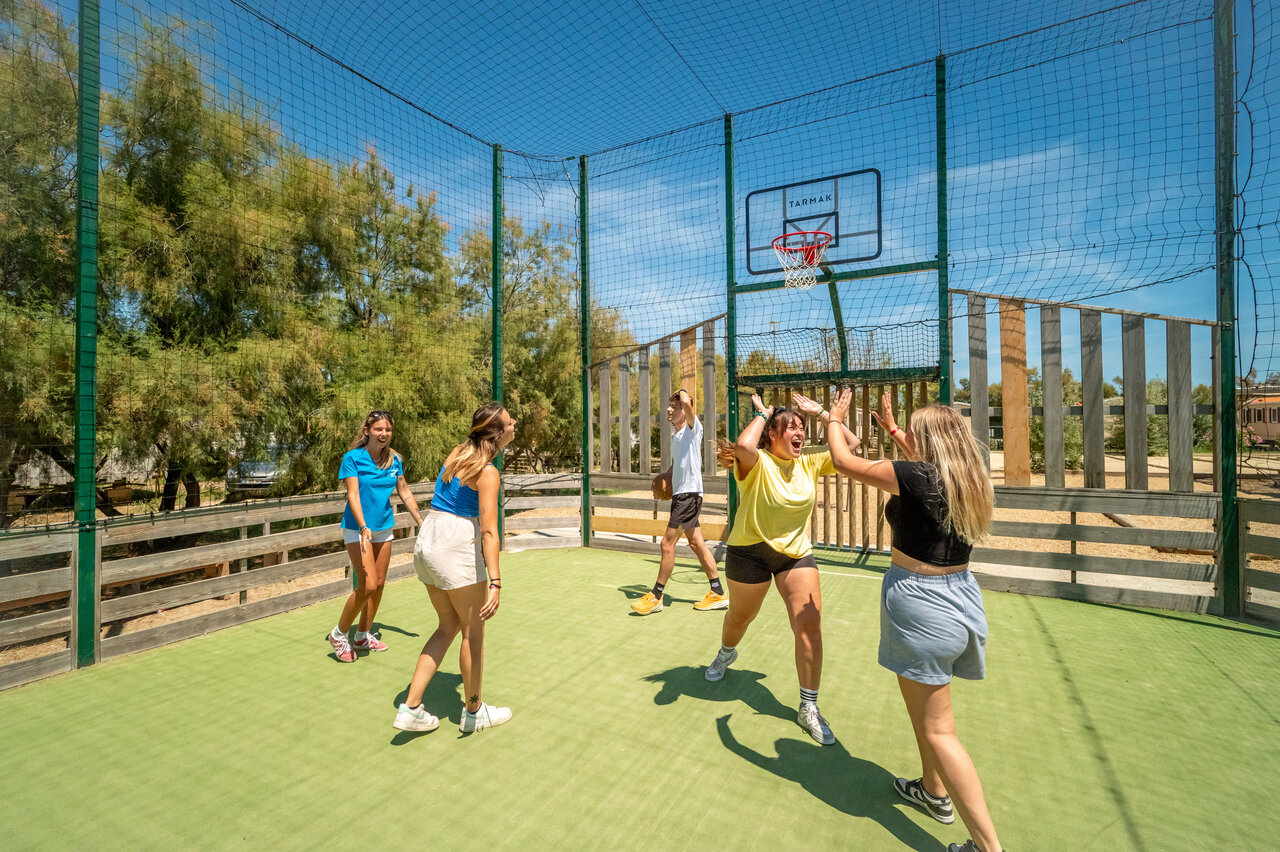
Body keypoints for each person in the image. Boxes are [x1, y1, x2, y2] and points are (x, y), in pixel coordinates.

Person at [825, 390, 1004, 852]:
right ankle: (933, 792)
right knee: (927, 716)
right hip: (959, 599)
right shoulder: (967, 476)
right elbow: (921, 463)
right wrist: (892, 431)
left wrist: (832, 419)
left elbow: (844, 462)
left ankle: (989, 849)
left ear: (930, 443)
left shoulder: (916, 476)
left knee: (940, 731)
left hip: (921, 604)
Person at [703, 391, 858, 746]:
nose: (799, 432)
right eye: (790, 427)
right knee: (740, 619)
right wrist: (765, 413)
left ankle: (808, 706)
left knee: (809, 624)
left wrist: (821, 412)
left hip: (795, 556)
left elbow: (851, 444)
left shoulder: (810, 463)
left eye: (802, 427)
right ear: (772, 435)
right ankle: (727, 653)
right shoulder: (756, 463)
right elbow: (743, 445)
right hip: (749, 553)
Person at [393, 402, 517, 734]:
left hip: (429, 539)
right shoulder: (489, 472)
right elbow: (490, 531)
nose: (514, 423)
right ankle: (474, 711)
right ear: (496, 432)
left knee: (447, 626)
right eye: (509, 421)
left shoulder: (458, 452)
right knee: (473, 632)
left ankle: (411, 708)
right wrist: (496, 581)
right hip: (454, 542)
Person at [326, 410, 424, 662]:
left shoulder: (394, 460)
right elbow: (353, 495)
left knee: (379, 584)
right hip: (358, 530)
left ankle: (362, 634)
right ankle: (339, 634)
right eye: (379, 429)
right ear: (367, 431)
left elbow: (405, 492)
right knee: (367, 585)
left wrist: (422, 522)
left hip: (383, 528)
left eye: (388, 430)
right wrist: (362, 526)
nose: (384, 434)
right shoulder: (353, 458)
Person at [632, 389, 729, 615]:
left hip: (688, 495)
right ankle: (718, 592)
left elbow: (687, 400)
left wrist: (682, 394)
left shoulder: (694, 430)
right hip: (683, 495)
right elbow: (679, 465)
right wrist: (665, 477)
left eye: (673, 407)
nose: (668, 409)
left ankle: (656, 596)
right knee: (696, 543)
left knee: (667, 544)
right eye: (669, 405)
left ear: (684, 411)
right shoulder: (676, 437)